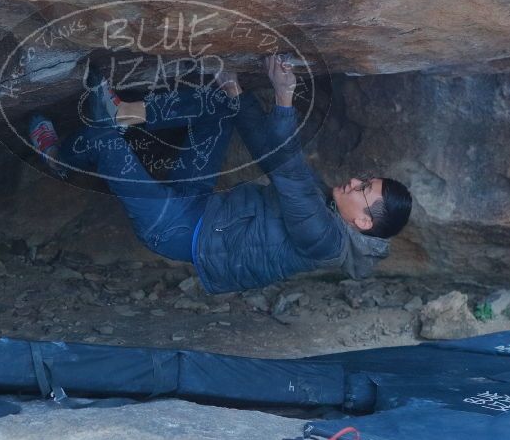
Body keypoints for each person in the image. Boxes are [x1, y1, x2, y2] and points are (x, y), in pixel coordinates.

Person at [27, 55, 412, 294]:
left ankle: (61, 158)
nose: (355, 182)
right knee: (220, 106)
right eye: (365, 180)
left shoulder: (325, 241)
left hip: (178, 231)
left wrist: (283, 98)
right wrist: (237, 93)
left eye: (364, 190)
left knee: (106, 142)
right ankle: (124, 112)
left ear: (363, 221)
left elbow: (288, 171)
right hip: (200, 204)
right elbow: (269, 154)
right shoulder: (326, 207)